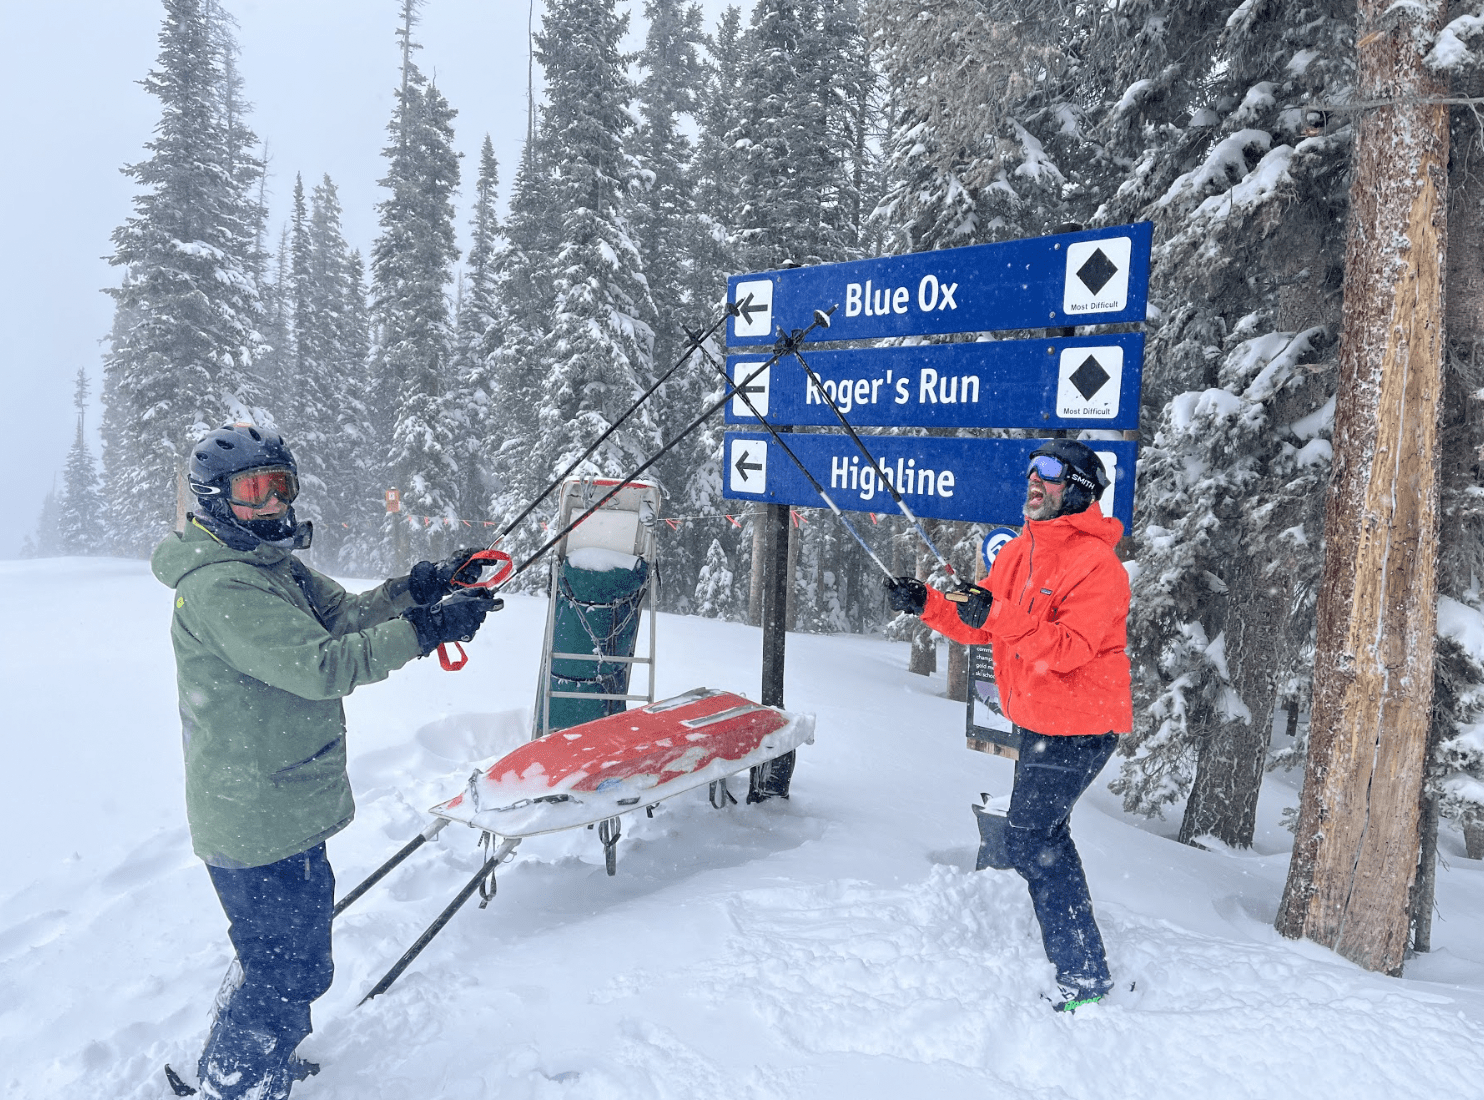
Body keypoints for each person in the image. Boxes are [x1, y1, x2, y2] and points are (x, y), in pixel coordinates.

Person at [151, 423, 499, 1099]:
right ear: (215, 501)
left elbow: (342, 617)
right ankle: (237, 1082)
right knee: (288, 969)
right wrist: (428, 632)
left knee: (286, 957)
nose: (274, 505)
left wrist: (419, 589)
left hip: (285, 802)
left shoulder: (269, 566)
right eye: (255, 491)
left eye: (282, 487)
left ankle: (254, 1059)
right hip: (253, 816)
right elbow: (322, 665)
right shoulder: (224, 586)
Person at [884, 438, 1131, 1012]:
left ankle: (1085, 976)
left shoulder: (1099, 567)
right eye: (1031, 472)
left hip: (1083, 723)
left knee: (1031, 837)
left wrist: (996, 613)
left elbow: (1068, 648)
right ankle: (1081, 959)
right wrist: (926, 602)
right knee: (1039, 835)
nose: (1033, 481)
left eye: (1047, 472)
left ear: (1077, 488)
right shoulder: (1020, 552)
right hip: (1042, 720)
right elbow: (983, 624)